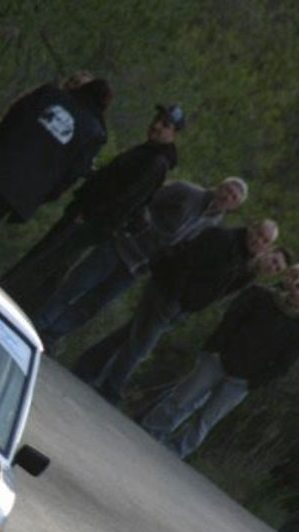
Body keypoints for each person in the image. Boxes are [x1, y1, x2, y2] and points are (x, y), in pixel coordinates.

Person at [1, 104, 183, 310]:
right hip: (87, 214)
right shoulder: (146, 152)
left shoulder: (157, 162)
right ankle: (19, 302)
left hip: (92, 221)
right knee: (51, 262)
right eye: (157, 119)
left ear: (174, 133)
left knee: (46, 262)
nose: (157, 125)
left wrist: (89, 215)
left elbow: (128, 200)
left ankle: (6, 300)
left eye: (165, 124)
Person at [35, 176, 246, 352]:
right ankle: (39, 324)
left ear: (236, 206)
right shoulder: (187, 192)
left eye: (233, 197)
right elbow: (149, 201)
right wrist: (142, 225)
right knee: (75, 286)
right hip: (121, 247)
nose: (227, 197)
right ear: (220, 186)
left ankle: (52, 335)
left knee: (93, 304)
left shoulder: (214, 226)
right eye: (227, 190)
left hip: (139, 268)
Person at [88, 219, 289, 404]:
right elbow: (186, 261)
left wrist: (189, 308)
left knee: (131, 333)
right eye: (259, 234)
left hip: (184, 306)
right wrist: (176, 299)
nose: (259, 241)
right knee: (143, 343)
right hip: (168, 291)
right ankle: (112, 386)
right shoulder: (223, 238)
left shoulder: (246, 267)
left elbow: (216, 292)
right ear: (251, 228)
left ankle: (88, 366)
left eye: (265, 240)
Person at [0, 77, 111, 255]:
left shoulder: (50, 94)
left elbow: (13, 116)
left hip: (0, 163)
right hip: (26, 188)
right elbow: (73, 172)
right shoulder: (94, 133)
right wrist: (48, 194)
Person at [140, 277, 299, 458]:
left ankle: (175, 451)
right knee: (183, 398)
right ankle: (151, 430)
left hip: (242, 380)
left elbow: (283, 365)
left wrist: (253, 382)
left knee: (207, 419)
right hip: (219, 360)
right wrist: (215, 350)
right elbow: (231, 319)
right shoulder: (262, 296)